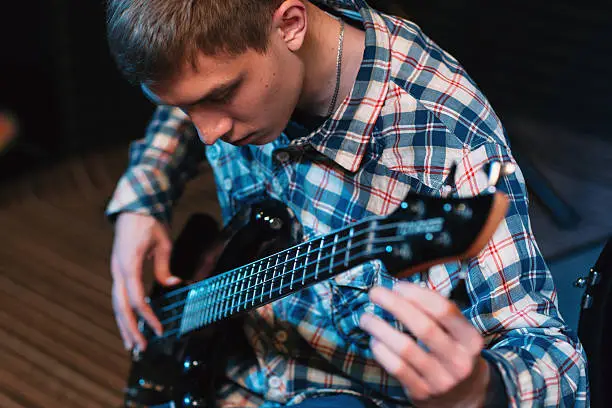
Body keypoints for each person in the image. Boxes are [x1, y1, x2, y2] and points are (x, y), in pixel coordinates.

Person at [105, 0, 588, 406]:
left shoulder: (448, 138)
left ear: (290, 24)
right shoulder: (228, 49)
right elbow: (189, 84)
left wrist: (483, 389)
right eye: (186, 109)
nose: (208, 134)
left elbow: (557, 363)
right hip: (230, 361)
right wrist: (142, 198)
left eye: (223, 96)